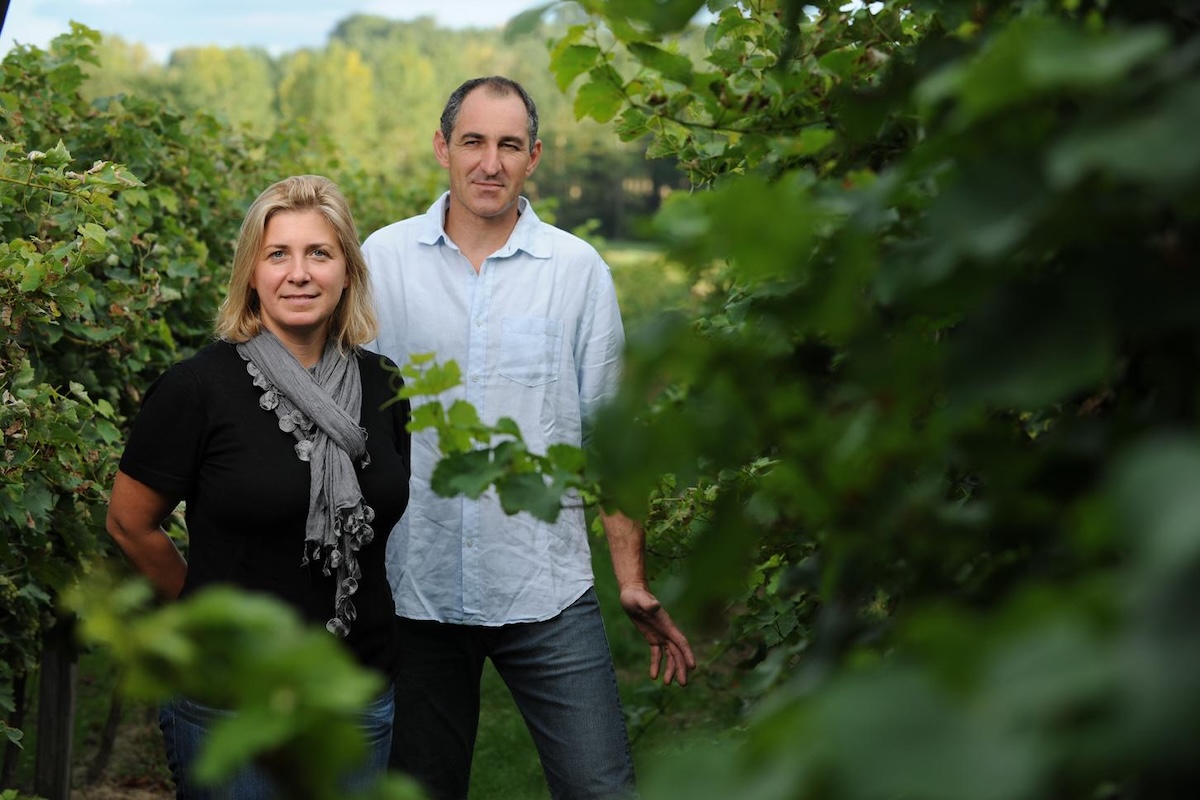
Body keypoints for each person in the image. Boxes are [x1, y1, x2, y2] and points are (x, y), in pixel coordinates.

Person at [363, 76, 696, 800]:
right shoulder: (380, 264)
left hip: (544, 584)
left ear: (534, 156)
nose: (491, 162)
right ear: (442, 148)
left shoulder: (576, 273)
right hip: (414, 587)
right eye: (474, 142)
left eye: (509, 145)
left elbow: (609, 433)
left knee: (600, 787)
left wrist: (632, 581)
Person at [106, 174, 411, 799]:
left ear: (348, 271)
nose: (298, 273)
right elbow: (128, 523)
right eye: (278, 254)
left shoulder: (384, 386)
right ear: (252, 272)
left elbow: (383, 505)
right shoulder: (198, 388)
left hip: (356, 689)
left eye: (318, 253)